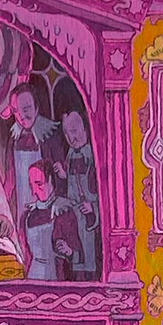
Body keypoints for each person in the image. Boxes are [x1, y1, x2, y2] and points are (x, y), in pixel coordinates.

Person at [0, 84, 62, 223]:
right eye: (16, 111)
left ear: (36, 107)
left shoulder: (49, 135)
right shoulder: (14, 138)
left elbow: (60, 175)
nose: (21, 116)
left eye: (26, 109)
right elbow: (10, 177)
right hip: (21, 201)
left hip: (46, 204)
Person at [20, 162, 81, 280]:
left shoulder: (64, 211)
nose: (35, 191)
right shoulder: (27, 216)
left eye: (39, 184)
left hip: (57, 277)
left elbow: (79, 257)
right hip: (33, 275)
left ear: (50, 180)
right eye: (32, 186)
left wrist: (69, 251)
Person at [58, 109, 100, 277]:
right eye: (67, 133)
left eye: (74, 131)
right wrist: (64, 175)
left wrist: (93, 208)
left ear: (85, 130)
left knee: (90, 260)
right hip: (73, 218)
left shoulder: (94, 157)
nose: (71, 138)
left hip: (90, 221)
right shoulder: (70, 155)